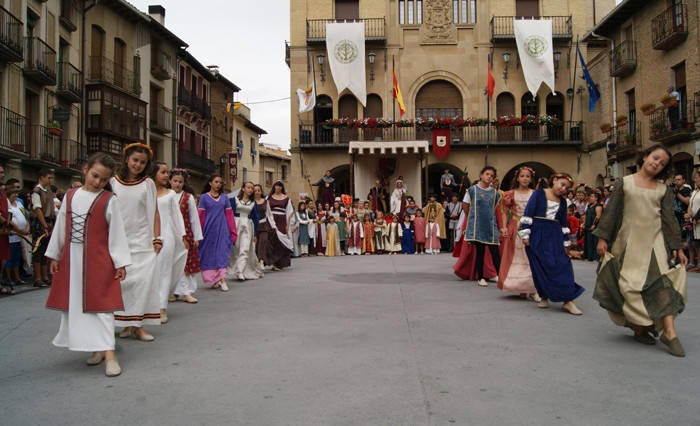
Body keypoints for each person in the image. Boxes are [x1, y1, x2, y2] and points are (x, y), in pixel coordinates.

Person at [594, 145, 688, 356]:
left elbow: (669, 220)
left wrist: (677, 247)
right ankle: (640, 328)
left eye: (662, 163)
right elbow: (612, 212)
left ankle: (670, 333)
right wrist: (603, 238)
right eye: (655, 158)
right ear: (645, 157)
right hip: (627, 244)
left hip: (655, 244)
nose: (656, 163)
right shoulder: (624, 183)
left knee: (663, 284)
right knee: (630, 289)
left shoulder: (663, 190)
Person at [46, 152, 131, 377]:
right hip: (73, 260)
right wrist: (55, 254)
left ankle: (110, 354)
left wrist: (120, 262)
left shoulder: (108, 200)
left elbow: (117, 233)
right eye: (94, 176)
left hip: (99, 260)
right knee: (79, 306)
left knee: (102, 307)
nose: (97, 182)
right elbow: (61, 226)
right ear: (85, 169)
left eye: (103, 180)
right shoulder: (70, 196)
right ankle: (96, 348)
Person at [111, 143, 161, 342]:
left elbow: (154, 211)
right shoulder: (113, 183)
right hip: (118, 241)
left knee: (142, 284)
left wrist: (157, 237)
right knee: (123, 284)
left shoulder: (147, 184)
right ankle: (124, 322)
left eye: (142, 162)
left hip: (142, 241)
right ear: (126, 159)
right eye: (135, 160)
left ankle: (137, 325)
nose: (138, 165)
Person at [521, 173, 584, 315]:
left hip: (554, 235)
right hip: (538, 233)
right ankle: (543, 295)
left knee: (562, 264)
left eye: (566, 188)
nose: (563, 189)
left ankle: (568, 300)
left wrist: (566, 242)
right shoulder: (539, 193)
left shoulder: (562, 202)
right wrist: (525, 233)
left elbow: (563, 222)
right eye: (562, 184)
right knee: (540, 266)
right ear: (554, 180)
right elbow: (528, 212)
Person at [151, 162, 187, 324]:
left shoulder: (171, 194)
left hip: (168, 236)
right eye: (163, 172)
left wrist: (183, 235)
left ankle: (162, 308)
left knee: (164, 271)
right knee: (150, 272)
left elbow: (177, 216)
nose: (167, 175)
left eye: (167, 172)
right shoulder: (146, 192)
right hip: (148, 236)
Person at [498, 166, 540, 301]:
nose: (525, 179)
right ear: (517, 178)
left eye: (528, 176)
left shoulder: (535, 194)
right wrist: (504, 226)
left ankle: (533, 289)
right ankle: (521, 287)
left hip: (531, 228)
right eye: (522, 176)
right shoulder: (510, 194)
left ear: (531, 179)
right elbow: (504, 210)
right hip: (515, 227)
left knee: (530, 257)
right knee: (517, 257)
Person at [462, 166, 502, 287]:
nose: (489, 177)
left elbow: (494, 208)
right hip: (478, 226)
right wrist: (473, 218)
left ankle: (502, 277)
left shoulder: (495, 193)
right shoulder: (472, 190)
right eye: (487, 174)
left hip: (490, 226)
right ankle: (481, 277)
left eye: (492, 175)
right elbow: (465, 205)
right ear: (481, 175)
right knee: (480, 252)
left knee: (495, 252)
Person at [198, 174, 237, 291]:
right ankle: (214, 279)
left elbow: (229, 216)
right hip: (208, 230)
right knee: (209, 254)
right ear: (210, 183)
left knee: (221, 253)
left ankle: (223, 279)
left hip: (222, 229)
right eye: (216, 182)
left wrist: (233, 231)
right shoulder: (204, 198)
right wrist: (198, 232)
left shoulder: (225, 198)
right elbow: (200, 216)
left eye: (220, 183)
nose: (218, 185)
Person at [170, 169, 203, 304]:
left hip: (186, 233)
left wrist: (196, 237)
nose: (177, 184)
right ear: (170, 181)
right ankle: (175, 291)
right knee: (173, 264)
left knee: (186, 263)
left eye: (180, 182)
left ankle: (187, 292)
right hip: (171, 233)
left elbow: (194, 218)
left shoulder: (188, 197)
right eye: (175, 181)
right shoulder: (166, 195)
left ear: (184, 183)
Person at [227, 182, 263, 281]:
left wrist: (255, 233)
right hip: (236, 224)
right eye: (248, 187)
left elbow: (256, 219)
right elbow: (229, 215)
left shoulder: (253, 203)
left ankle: (240, 271)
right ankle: (233, 268)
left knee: (245, 248)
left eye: (252, 188)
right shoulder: (233, 200)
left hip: (247, 226)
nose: (250, 190)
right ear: (243, 189)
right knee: (236, 249)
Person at [31, 168, 55, 287]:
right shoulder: (36, 191)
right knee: (38, 250)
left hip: (49, 222)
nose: (51, 180)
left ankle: (45, 276)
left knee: (46, 250)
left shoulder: (48, 190)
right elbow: (37, 209)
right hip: (40, 223)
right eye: (49, 178)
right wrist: (44, 225)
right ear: (42, 177)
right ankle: (37, 278)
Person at [4, 187, 29, 294]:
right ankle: (9, 278)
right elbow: (8, 220)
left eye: (16, 193)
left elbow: (24, 216)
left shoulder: (19, 204)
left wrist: (27, 227)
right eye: (14, 193)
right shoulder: (7, 205)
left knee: (17, 258)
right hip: (12, 236)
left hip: (20, 237)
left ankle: (17, 277)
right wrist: (18, 229)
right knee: (10, 258)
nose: (16, 195)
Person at [266, 181, 294, 269]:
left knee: (281, 241)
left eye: (280, 186)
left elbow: (289, 212)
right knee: (273, 241)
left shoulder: (286, 198)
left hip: (282, 220)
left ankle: (280, 263)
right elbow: (266, 210)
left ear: (282, 187)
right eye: (276, 186)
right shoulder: (269, 198)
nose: (278, 187)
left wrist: (287, 225)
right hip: (271, 220)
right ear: (274, 187)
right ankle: (274, 263)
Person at [582, 191, 603, 261]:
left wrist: (594, 225)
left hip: (594, 226)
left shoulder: (598, 206)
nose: (590, 198)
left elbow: (598, 216)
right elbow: (586, 215)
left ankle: (594, 257)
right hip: (587, 225)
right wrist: (584, 223)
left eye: (592, 197)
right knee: (588, 241)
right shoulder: (589, 206)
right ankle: (588, 256)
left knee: (594, 241)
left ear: (596, 198)